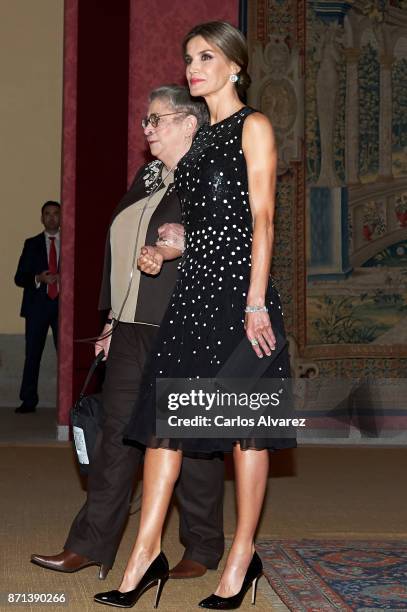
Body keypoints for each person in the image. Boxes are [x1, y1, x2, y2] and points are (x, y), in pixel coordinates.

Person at [94, 21, 296, 610]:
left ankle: (241, 558)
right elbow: (207, 225)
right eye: (188, 57)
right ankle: (144, 555)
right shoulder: (201, 139)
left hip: (239, 297)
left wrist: (256, 302)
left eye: (205, 56)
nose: (193, 66)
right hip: (192, 296)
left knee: (245, 435)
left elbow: (261, 219)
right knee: (164, 426)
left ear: (235, 65)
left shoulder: (251, 126)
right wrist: (169, 244)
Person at [30, 86, 224, 581]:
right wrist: (112, 320)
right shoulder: (149, 175)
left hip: (185, 328)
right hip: (133, 326)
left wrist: (168, 247)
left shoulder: (210, 173)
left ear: (188, 123)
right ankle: (91, 545)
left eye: (156, 120)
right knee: (116, 438)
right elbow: (125, 250)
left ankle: (202, 547)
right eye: (145, 121)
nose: (147, 129)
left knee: (189, 441)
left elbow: (185, 236)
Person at [14, 201, 61, 413]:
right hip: (36, 308)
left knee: (66, 357)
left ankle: (70, 400)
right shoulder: (31, 243)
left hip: (63, 309)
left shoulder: (70, 242)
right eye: (47, 214)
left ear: (61, 217)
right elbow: (19, 277)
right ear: (42, 218)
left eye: (55, 214)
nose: (51, 218)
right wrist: (38, 278)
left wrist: (64, 277)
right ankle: (28, 400)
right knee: (32, 355)